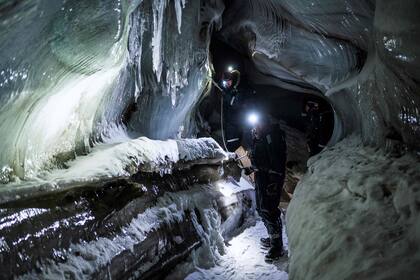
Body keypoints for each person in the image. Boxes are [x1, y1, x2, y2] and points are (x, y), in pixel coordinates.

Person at [244, 114, 287, 262]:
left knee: (269, 210)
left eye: (257, 124)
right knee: (262, 209)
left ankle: (277, 246)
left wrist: (274, 181)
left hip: (271, 178)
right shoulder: (260, 136)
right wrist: (252, 168)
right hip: (262, 177)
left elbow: (276, 161)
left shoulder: (272, 136)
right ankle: (272, 237)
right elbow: (261, 158)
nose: (255, 127)